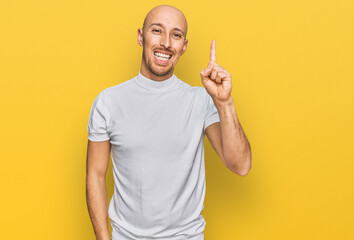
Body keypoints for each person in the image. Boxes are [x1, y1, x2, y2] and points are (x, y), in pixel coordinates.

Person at [86, 4, 252, 240]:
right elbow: (95, 174)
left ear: (184, 47)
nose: (166, 42)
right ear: (140, 37)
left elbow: (241, 166)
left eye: (176, 35)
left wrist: (224, 102)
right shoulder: (108, 102)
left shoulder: (201, 101)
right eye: (157, 30)